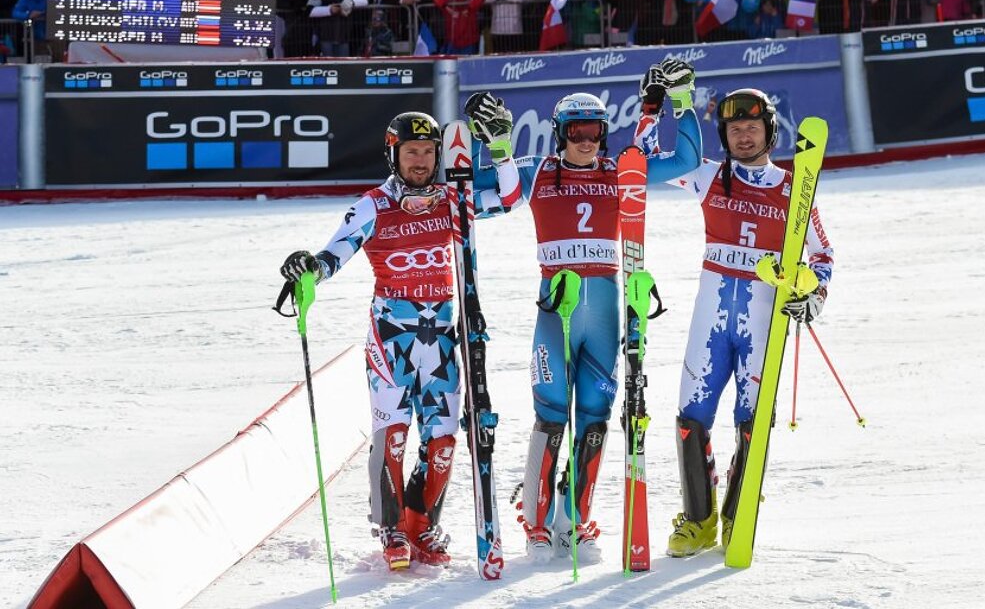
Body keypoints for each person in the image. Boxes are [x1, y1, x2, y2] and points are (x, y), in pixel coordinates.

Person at [466, 62, 703, 565]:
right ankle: (536, 521)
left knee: (594, 417)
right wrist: (491, 141)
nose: (586, 140)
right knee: (551, 413)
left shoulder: (623, 172)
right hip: (554, 308)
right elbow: (475, 183)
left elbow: (686, 158)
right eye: (575, 130)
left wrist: (680, 102)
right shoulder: (535, 170)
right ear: (560, 133)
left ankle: (574, 519)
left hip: (605, 305)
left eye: (595, 130)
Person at [278, 112, 518, 571]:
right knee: (393, 434)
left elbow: (508, 199)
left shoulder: (451, 199)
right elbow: (334, 255)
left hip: (444, 336)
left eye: (429, 153)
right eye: (412, 153)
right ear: (393, 154)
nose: (422, 162)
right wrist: (308, 268)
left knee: (444, 437)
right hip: (391, 339)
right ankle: (391, 529)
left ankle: (420, 523)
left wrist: (501, 149)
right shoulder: (373, 204)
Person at [657, 88, 834, 557]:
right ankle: (699, 520)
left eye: (752, 127)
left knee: (752, 420)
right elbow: (652, 159)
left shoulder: (796, 189)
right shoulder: (708, 177)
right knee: (690, 417)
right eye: (734, 129)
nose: (743, 135)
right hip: (710, 322)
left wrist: (812, 294)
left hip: (762, 322)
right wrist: (668, 105)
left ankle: (739, 511)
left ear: (770, 131)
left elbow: (822, 254)